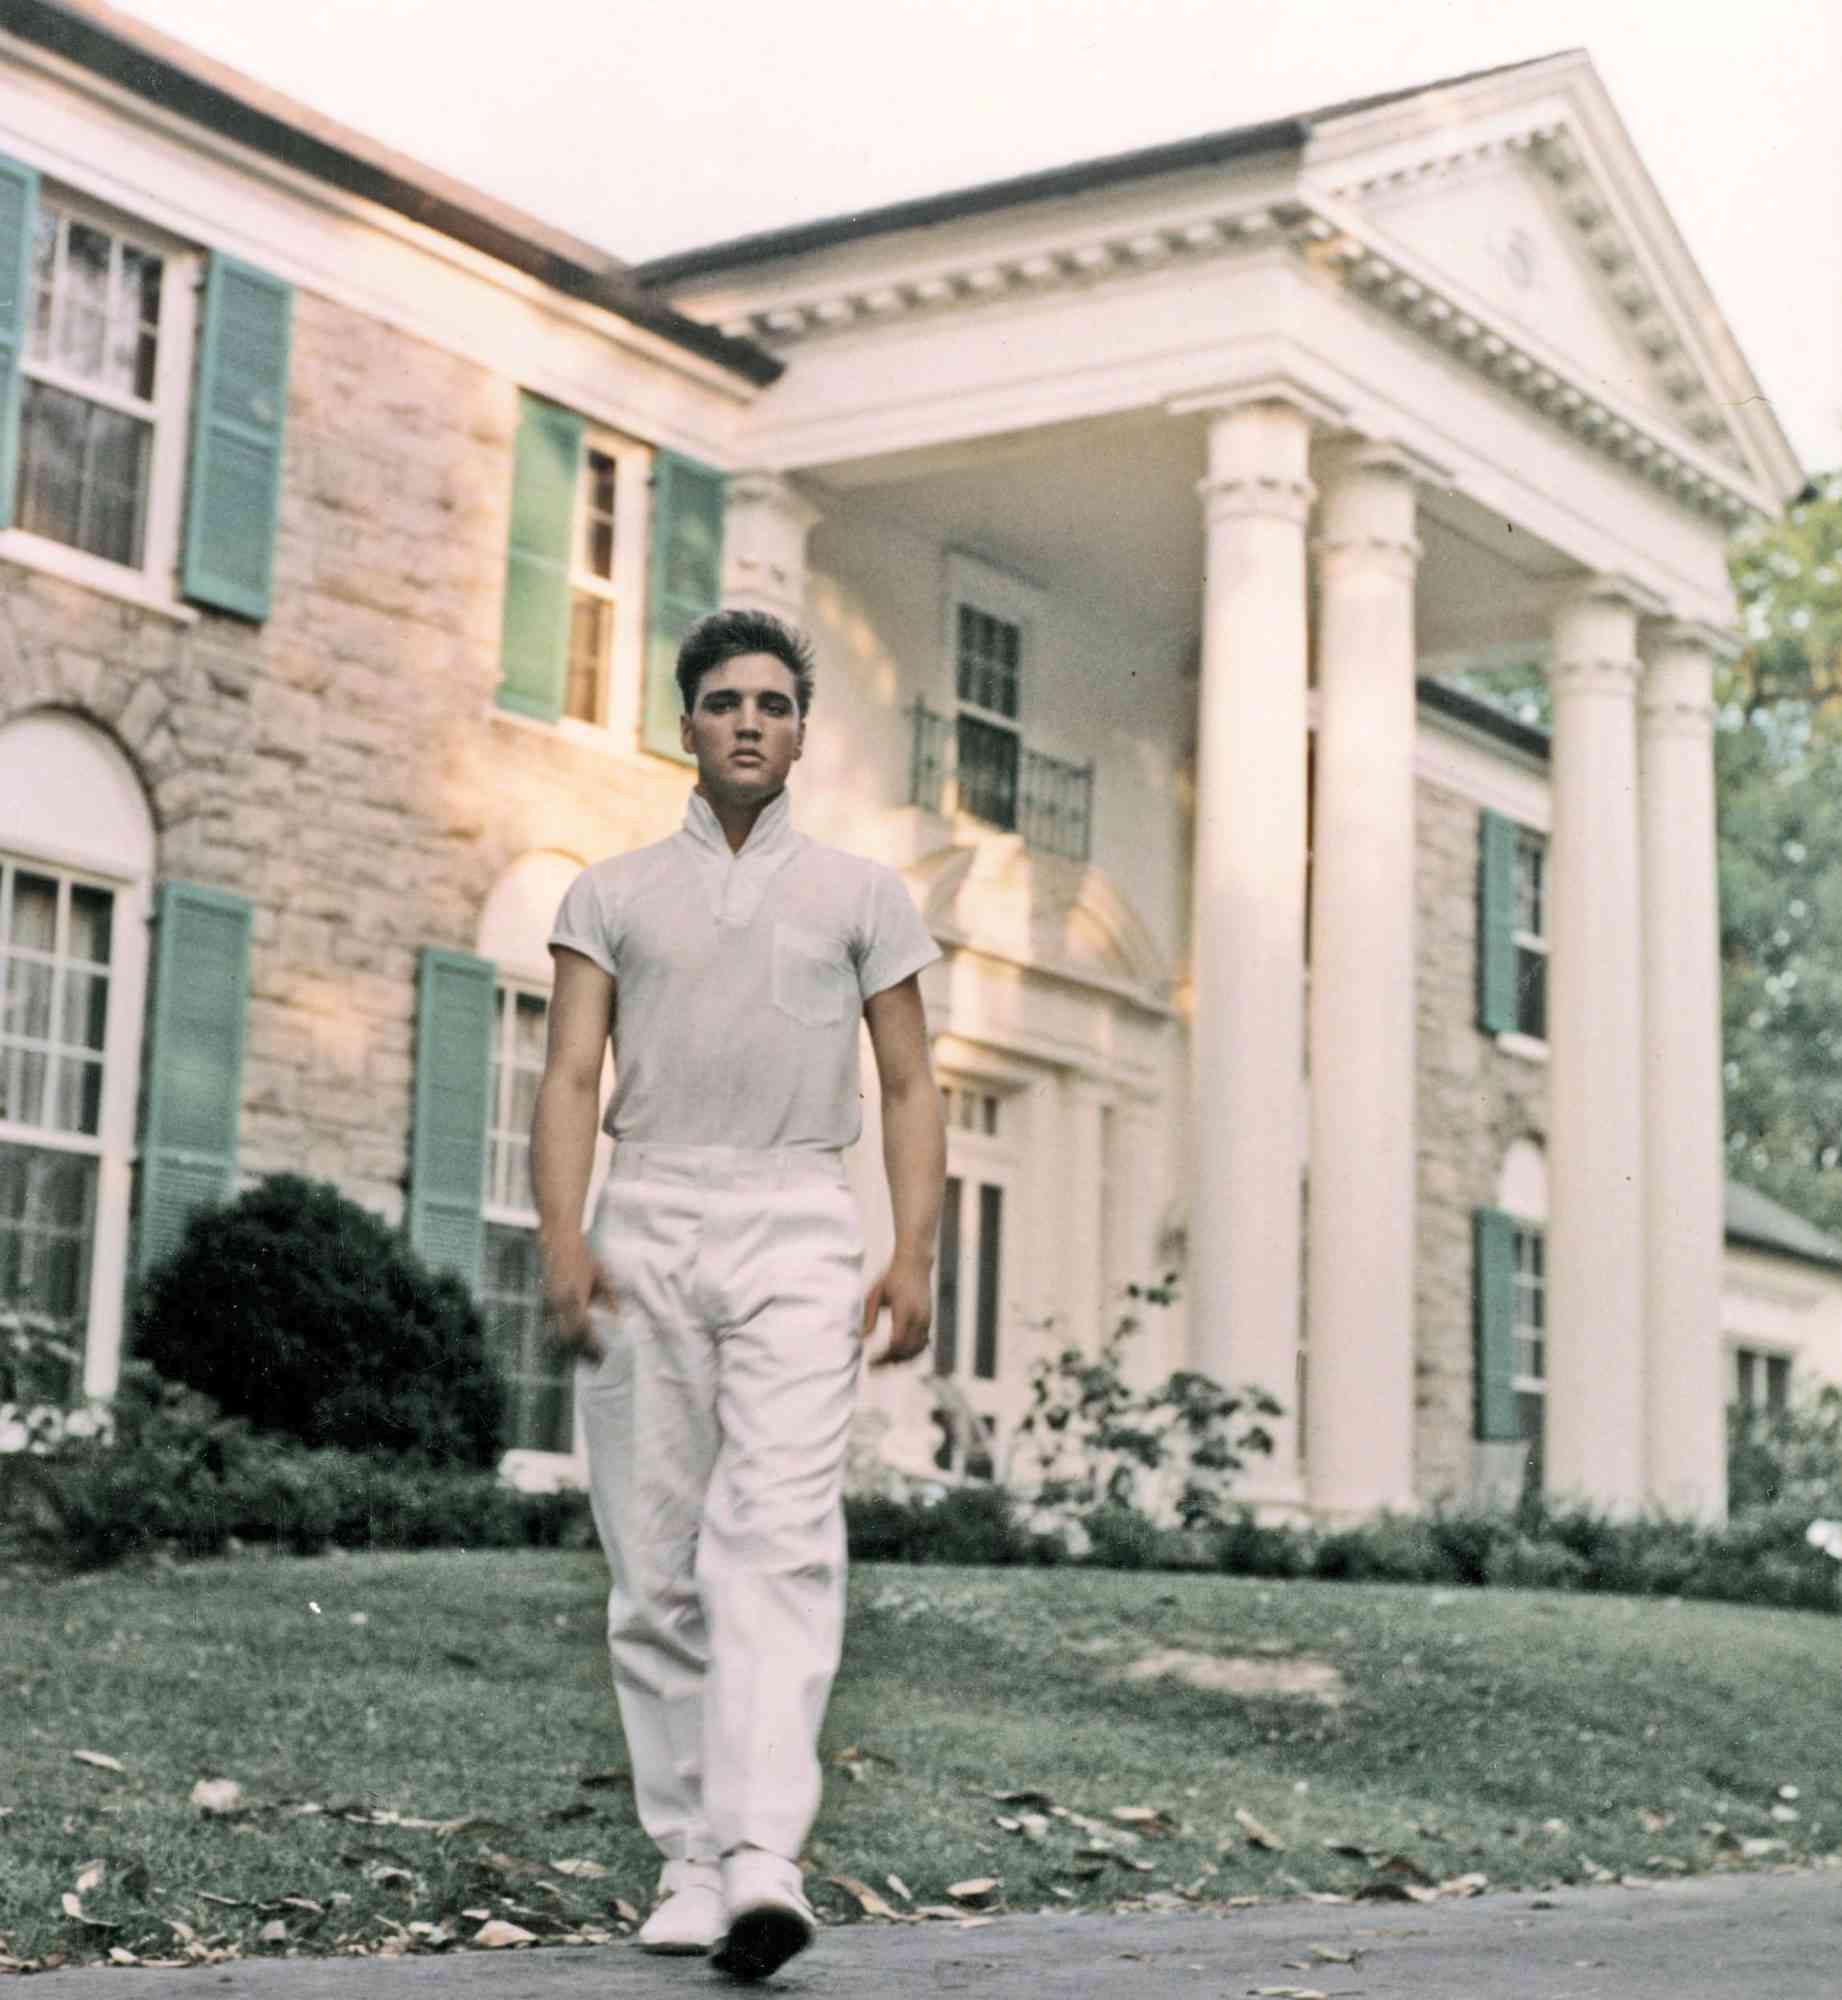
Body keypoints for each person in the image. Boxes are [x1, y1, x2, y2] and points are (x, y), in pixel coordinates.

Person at [533, 606, 946, 1980]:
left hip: (793, 1221)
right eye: (724, 702)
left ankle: (763, 1853)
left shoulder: (861, 895)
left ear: (801, 728)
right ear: (689, 724)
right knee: (654, 1565)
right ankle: (690, 1861)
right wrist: (560, 1239)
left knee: (773, 1537)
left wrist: (911, 1254)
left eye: (774, 701)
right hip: (646, 1210)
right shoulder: (608, 894)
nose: (750, 721)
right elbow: (569, 1079)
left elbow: (905, 1084)